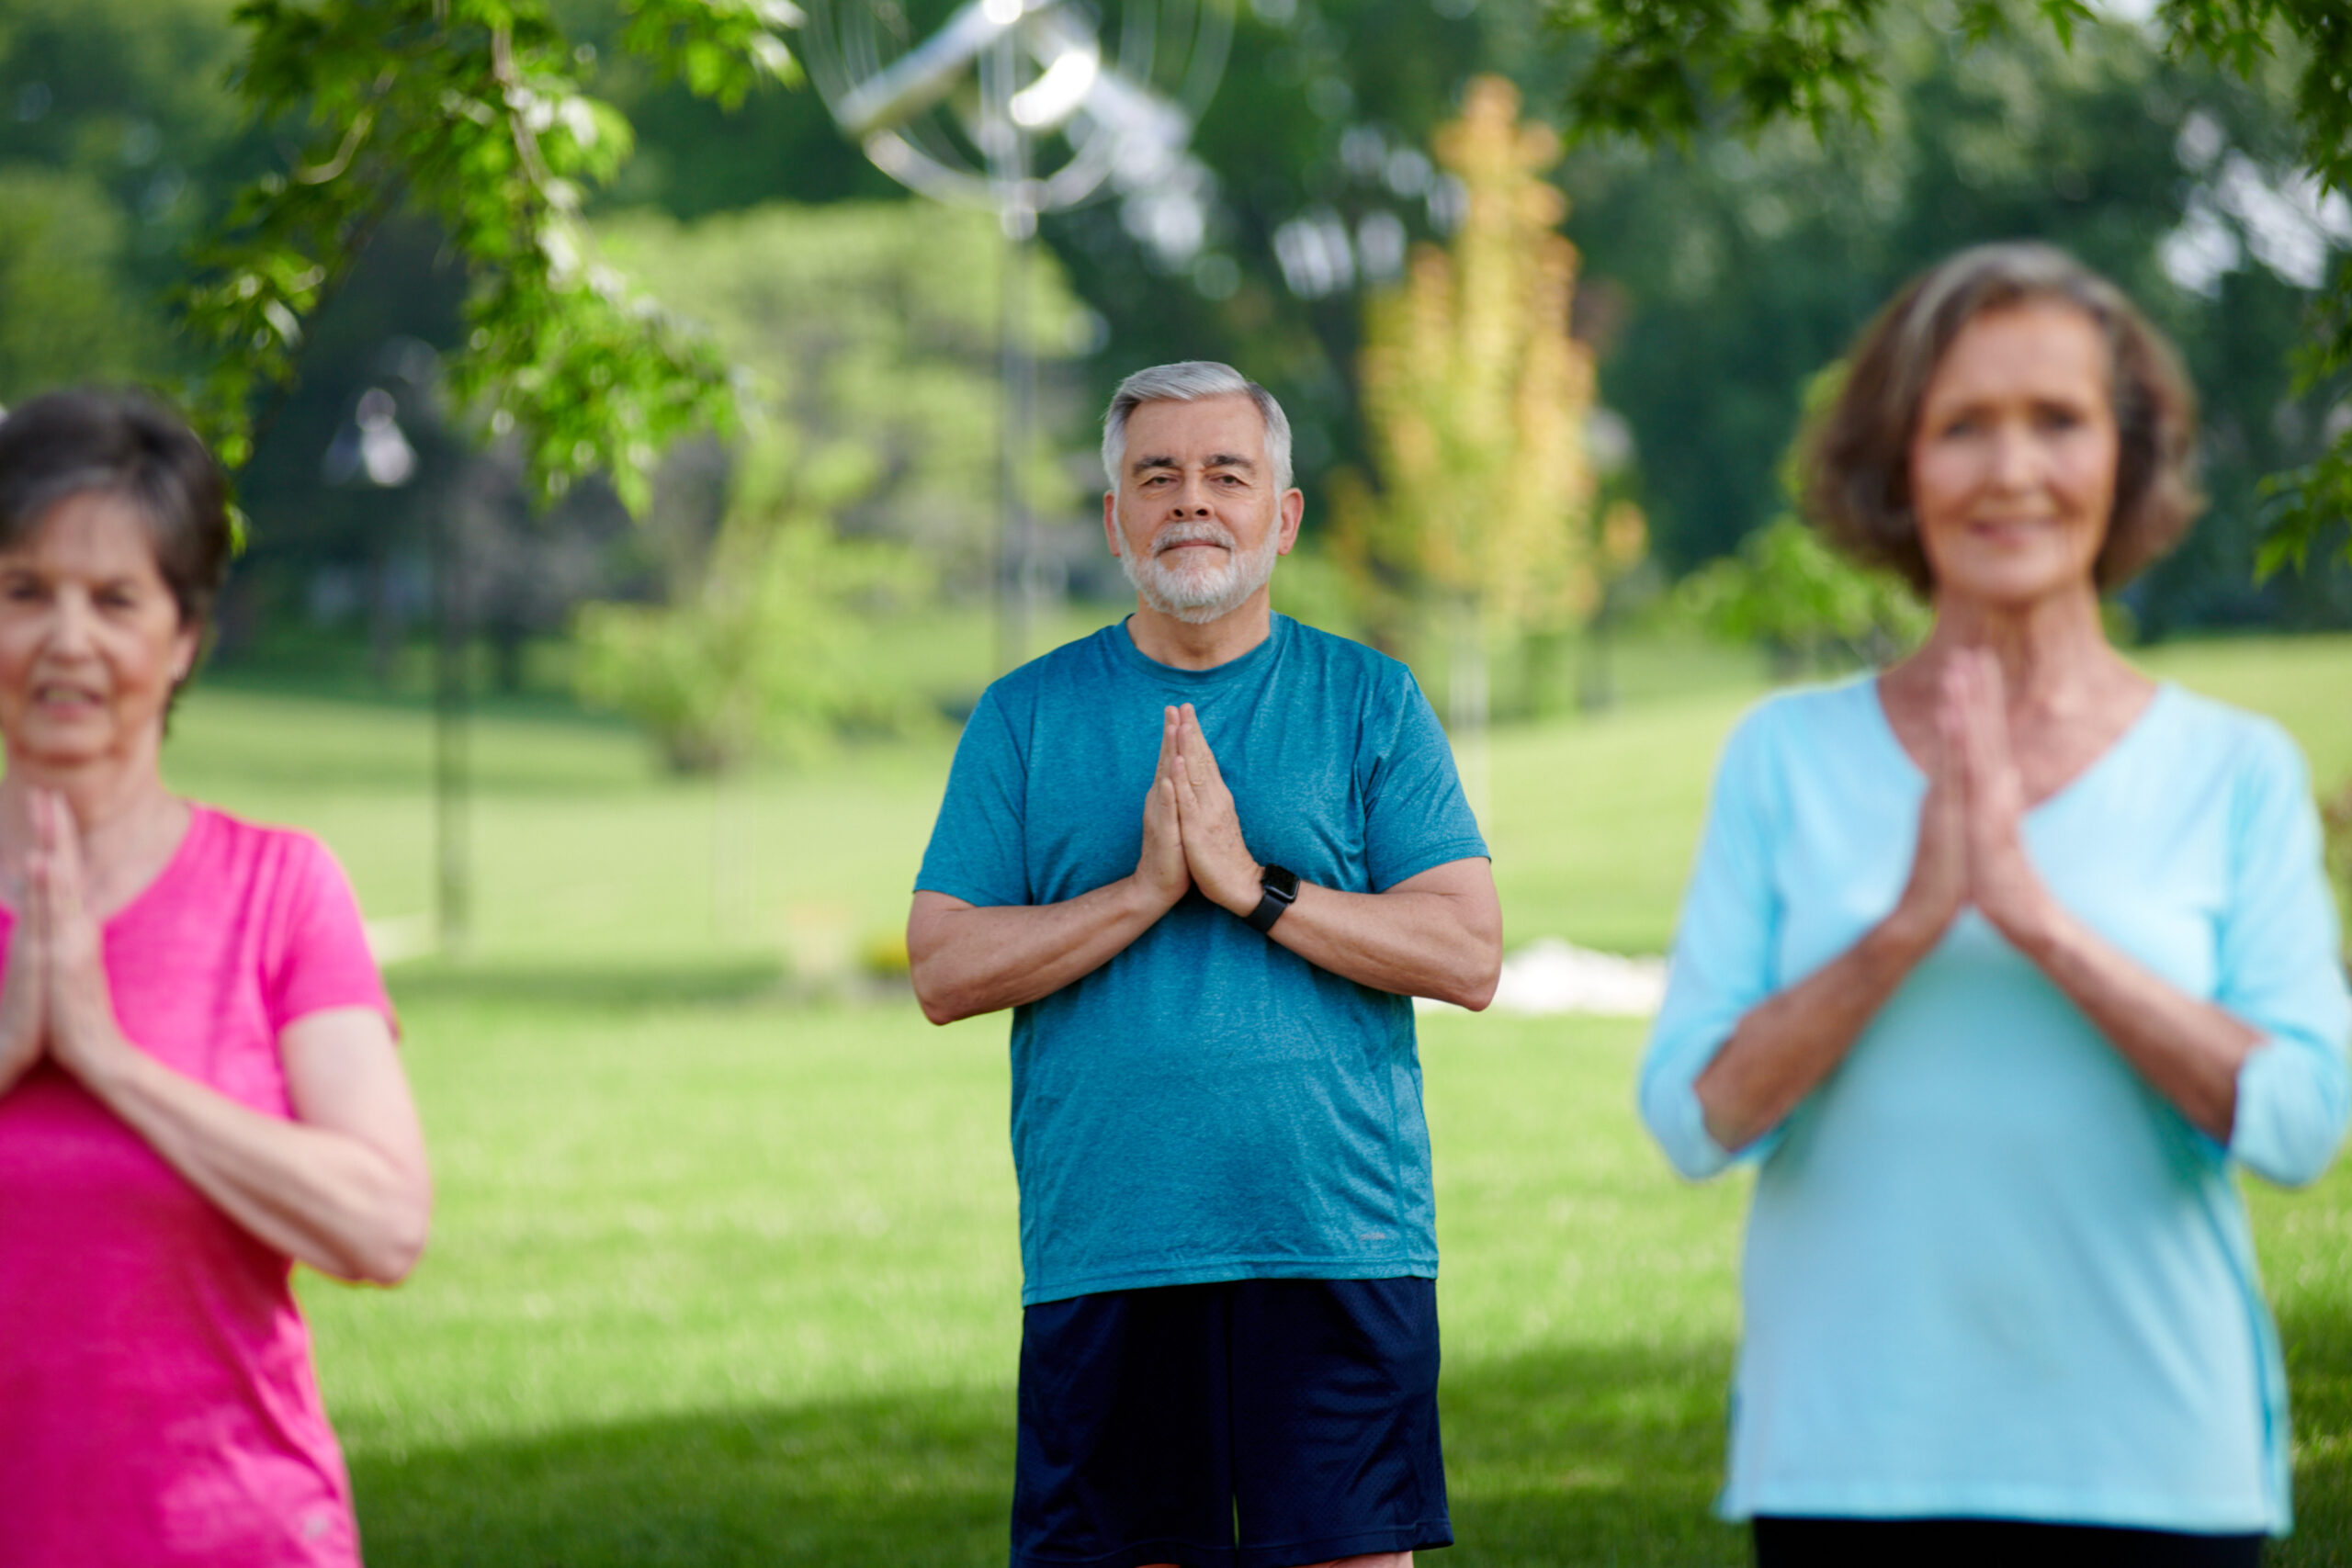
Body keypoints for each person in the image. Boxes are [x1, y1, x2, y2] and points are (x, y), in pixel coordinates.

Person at [1638, 243, 2352, 1567]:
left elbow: (2303, 1124)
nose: (2013, 469)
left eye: (2059, 422)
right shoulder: (1785, 757)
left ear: (2126, 460)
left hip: (2156, 1469)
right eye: (1964, 424)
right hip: (1850, 1462)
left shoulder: (2231, 765)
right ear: (1898, 466)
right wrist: (1909, 924)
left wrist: (2041, 922)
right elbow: (1694, 1115)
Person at [909, 361, 1502, 1568]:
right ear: (1117, 515)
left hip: (1337, 1237)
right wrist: (1140, 893)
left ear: (1280, 516)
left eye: (1227, 473)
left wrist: (1253, 885)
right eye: (1157, 476)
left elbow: (1466, 948)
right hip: (1111, 1242)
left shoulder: (1369, 700)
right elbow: (944, 964)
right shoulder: (1026, 713)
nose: (1193, 500)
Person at [0, 389, 431, 1567]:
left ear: (183, 635)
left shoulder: (278, 891)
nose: (66, 639)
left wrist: (105, 1059)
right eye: (24, 591)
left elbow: (383, 1225)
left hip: (233, 1535)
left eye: (115, 598)